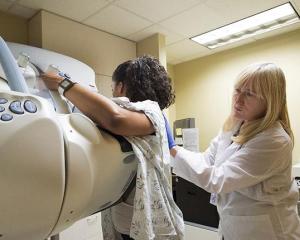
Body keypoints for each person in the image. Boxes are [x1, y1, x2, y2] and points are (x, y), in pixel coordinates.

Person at [42, 55, 184, 240]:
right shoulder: (136, 117)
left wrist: (63, 83)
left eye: (113, 88)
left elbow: (115, 118)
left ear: (121, 86)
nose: (113, 94)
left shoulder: (152, 112)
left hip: (146, 224)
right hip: (125, 219)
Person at [164, 62, 300, 240]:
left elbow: (218, 180)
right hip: (234, 226)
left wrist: (172, 148)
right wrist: (175, 149)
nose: (238, 99)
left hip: (267, 231)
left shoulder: (274, 140)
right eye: (237, 90)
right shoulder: (235, 125)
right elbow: (207, 160)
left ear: (270, 100)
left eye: (249, 94)